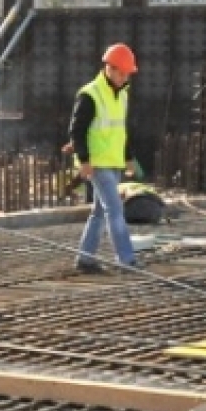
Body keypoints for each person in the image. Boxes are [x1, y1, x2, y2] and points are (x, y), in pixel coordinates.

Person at [70, 43, 141, 274]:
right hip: (97, 163)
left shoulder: (122, 95)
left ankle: (85, 259)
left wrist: (128, 157)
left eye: (127, 73)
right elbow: (77, 130)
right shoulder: (89, 94)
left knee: (100, 212)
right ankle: (126, 259)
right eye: (121, 72)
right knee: (115, 209)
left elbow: (120, 130)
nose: (124, 77)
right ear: (109, 68)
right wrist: (84, 160)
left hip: (113, 162)